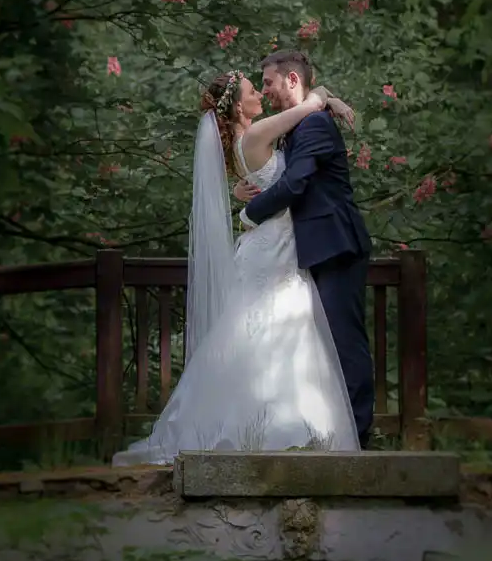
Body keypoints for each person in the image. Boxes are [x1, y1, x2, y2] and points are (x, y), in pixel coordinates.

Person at [112, 68, 360, 466]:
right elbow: (310, 104)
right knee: (281, 332)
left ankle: (258, 427)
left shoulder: (243, 144)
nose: (259, 94)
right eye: (251, 90)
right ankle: (285, 433)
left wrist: (242, 197)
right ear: (238, 106)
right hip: (274, 247)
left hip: (271, 245)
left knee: (254, 337)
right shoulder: (260, 132)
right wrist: (330, 100)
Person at [235, 50, 374, 449]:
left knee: (345, 343)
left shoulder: (313, 125)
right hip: (315, 248)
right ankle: (335, 436)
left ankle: (358, 439)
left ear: (292, 80)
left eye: (268, 83)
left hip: (336, 246)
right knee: (324, 347)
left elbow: (295, 184)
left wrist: (248, 214)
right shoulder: (301, 122)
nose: (265, 90)